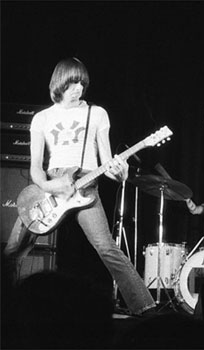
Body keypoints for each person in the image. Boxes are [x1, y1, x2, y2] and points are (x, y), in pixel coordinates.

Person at [3, 57, 156, 316]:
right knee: (13, 248)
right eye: (73, 83)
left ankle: (146, 308)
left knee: (106, 248)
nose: (78, 89)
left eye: (82, 84)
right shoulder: (42, 118)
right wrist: (51, 187)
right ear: (60, 82)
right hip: (50, 187)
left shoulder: (96, 114)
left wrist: (121, 173)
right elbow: (36, 169)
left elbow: (107, 163)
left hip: (86, 187)